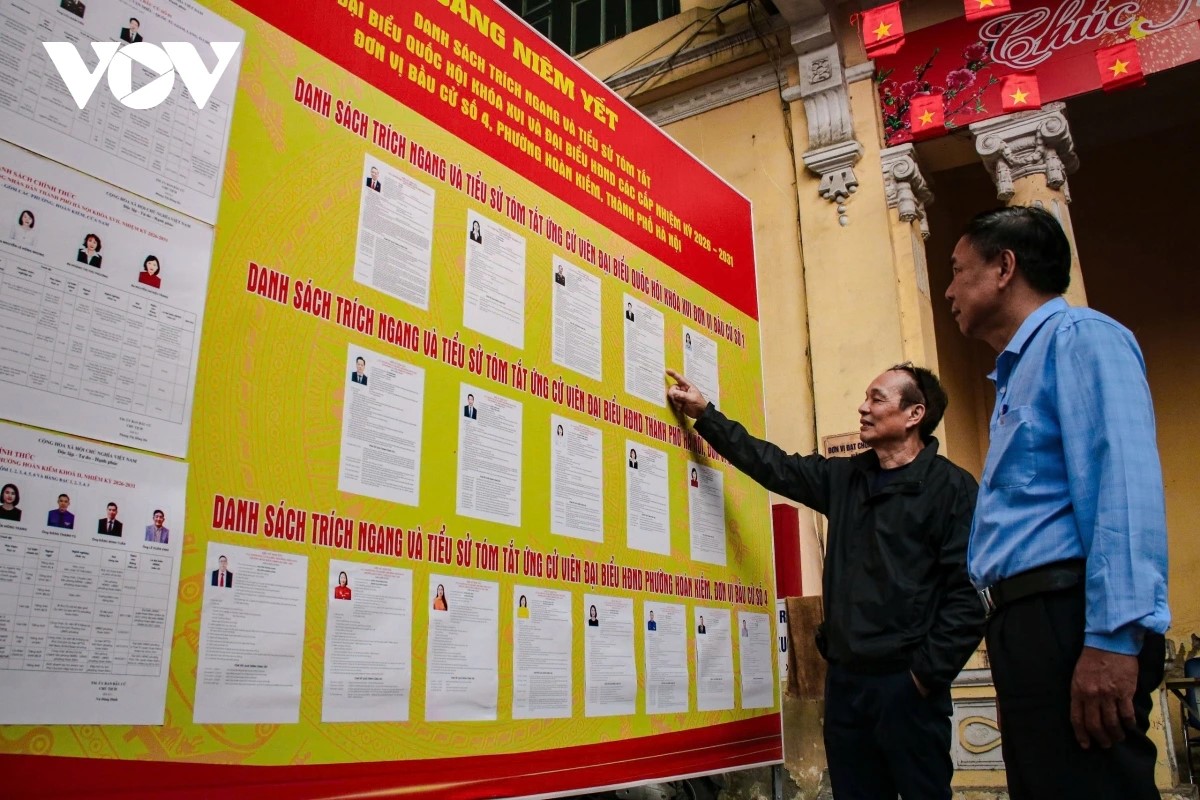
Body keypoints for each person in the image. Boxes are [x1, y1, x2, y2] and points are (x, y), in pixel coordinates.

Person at [668, 363, 983, 800]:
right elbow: (771, 464)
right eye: (865, 397)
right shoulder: (846, 478)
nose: (863, 407)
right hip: (846, 688)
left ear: (915, 414)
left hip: (907, 691)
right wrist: (706, 415)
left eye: (877, 399)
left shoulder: (952, 489)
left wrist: (923, 676)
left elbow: (969, 596)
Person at [945, 206, 1169, 800]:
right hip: (1028, 625)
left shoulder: (1081, 338)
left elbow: (1123, 488)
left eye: (958, 270)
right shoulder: (1016, 373)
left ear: (1004, 268)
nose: (948, 290)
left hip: (1071, 619)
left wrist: (1112, 640)